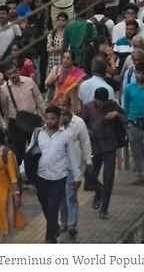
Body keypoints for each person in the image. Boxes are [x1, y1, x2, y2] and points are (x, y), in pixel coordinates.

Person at [27, 104, 81, 244]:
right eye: (48, 118)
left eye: (53, 119)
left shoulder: (65, 137)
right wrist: (22, 169)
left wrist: (77, 175)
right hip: (41, 177)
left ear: (59, 119)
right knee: (46, 208)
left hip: (58, 178)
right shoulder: (37, 134)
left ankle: (50, 239)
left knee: (52, 208)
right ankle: (54, 228)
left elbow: (72, 158)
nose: (50, 121)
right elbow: (29, 152)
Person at [80, 87, 126, 219]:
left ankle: (104, 208)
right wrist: (86, 131)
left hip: (110, 146)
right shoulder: (88, 107)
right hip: (94, 146)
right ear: (95, 99)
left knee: (109, 177)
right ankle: (98, 191)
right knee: (90, 175)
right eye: (100, 102)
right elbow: (82, 123)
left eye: (104, 102)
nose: (102, 105)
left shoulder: (113, 105)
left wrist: (116, 115)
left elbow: (125, 120)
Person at [56, 95, 92, 239]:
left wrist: (88, 162)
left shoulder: (78, 123)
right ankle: (63, 221)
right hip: (58, 167)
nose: (61, 108)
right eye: (59, 105)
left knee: (70, 195)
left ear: (69, 106)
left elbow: (85, 142)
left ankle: (72, 224)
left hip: (73, 166)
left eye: (64, 105)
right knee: (61, 196)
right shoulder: (53, 123)